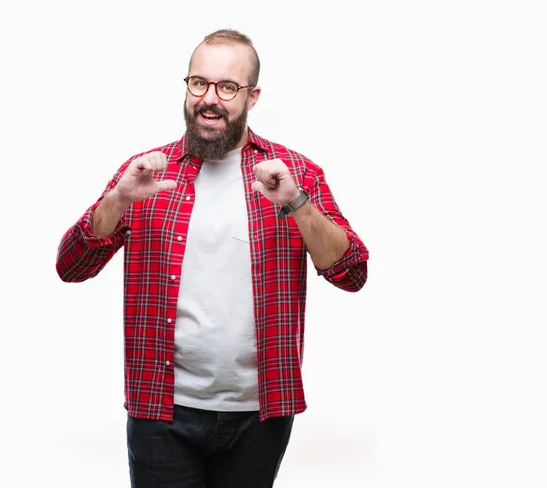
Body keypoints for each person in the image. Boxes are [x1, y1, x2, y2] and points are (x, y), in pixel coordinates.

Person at [56, 28, 369, 488]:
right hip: (161, 411)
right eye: (198, 83)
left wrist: (297, 203)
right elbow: (71, 267)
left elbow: (352, 274)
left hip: (260, 415)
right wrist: (116, 201)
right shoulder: (146, 173)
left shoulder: (295, 173)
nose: (210, 99)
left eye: (227, 87)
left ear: (252, 96)